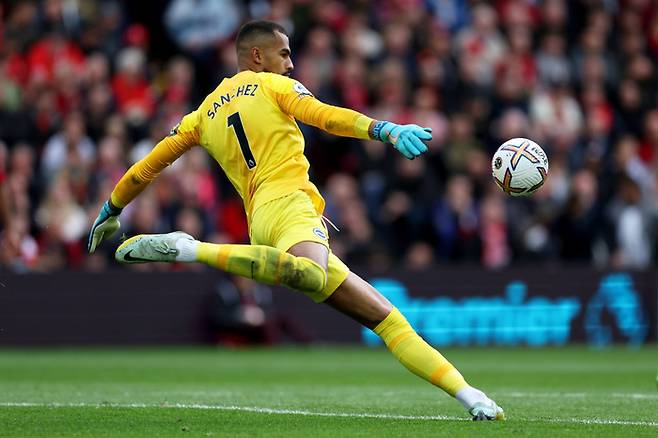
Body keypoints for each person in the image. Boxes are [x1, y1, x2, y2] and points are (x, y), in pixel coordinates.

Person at [87, 21, 504, 421]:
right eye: (283, 53)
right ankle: (190, 248)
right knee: (309, 275)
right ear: (257, 55)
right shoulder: (273, 84)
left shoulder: (200, 115)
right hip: (291, 206)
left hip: (261, 220)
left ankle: (472, 397)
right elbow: (323, 115)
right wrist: (383, 129)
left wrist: (111, 209)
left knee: (387, 319)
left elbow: (149, 166)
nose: (290, 63)